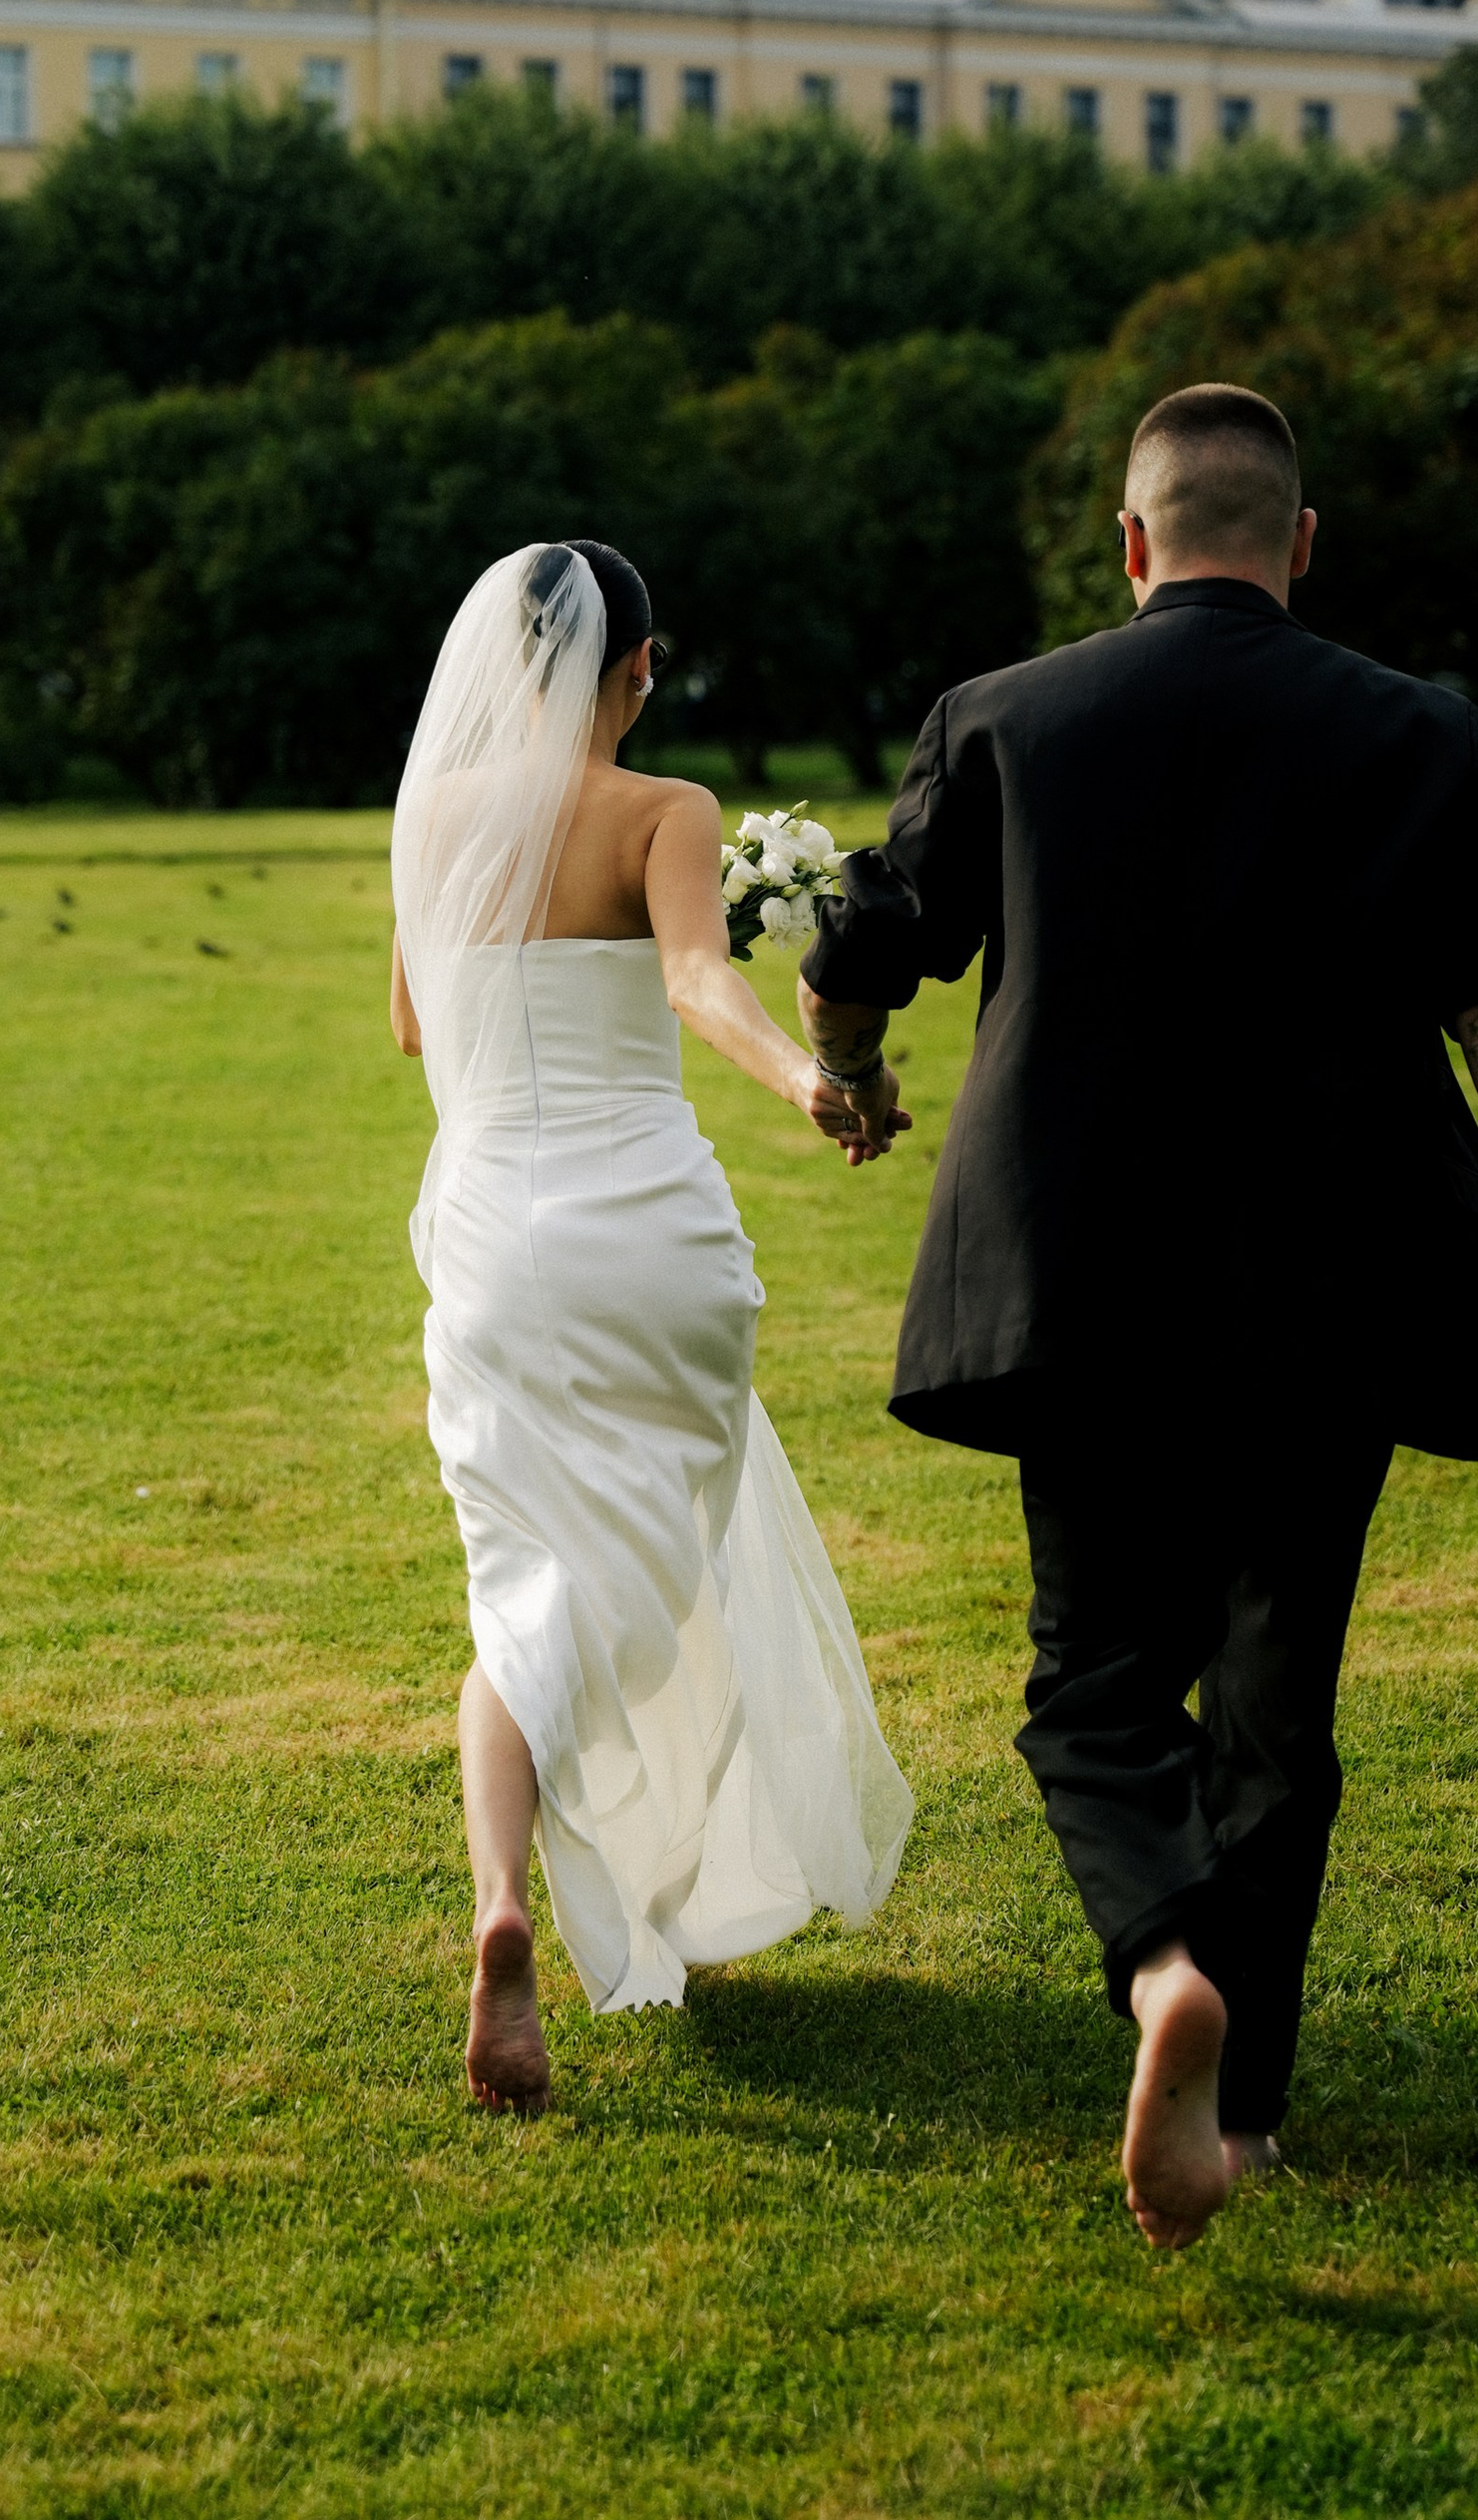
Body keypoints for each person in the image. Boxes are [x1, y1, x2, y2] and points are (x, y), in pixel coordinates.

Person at [798, 385, 1478, 2249]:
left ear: (1130, 543)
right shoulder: (1416, 732)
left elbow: (863, 943)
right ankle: (1241, 2106)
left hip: (1079, 1277)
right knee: (1278, 1691)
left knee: (1096, 1681)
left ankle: (1164, 1963)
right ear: (1301, 545)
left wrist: (848, 1071)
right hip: (1340, 1279)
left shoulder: (1007, 718)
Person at [391, 537, 914, 2115]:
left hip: (494, 1240)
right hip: (652, 1244)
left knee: (519, 1589)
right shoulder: (667, 814)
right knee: (648, 1565)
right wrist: (813, 1082)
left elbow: (413, 1020)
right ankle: (668, 1862)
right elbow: (696, 978)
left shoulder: (430, 816)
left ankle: (502, 1904)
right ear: (632, 669)